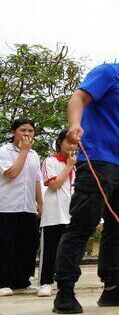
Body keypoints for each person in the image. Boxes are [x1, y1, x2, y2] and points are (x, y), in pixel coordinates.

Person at [53, 30, 119, 314]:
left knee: (118, 231)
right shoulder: (108, 74)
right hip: (99, 162)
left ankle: (112, 289)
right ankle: (64, 291)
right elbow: (78, 98)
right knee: (82, 226)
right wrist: (75, 125)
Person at [0, 118, 42, 297]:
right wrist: (23, 151)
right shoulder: (4, 151)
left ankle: (22, 281)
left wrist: (40, 203)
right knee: (6, 245)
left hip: (28, 206)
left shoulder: (34, 154)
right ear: (13, 132)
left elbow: (36, 180)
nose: (27, 134)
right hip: (7, 205)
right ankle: (3, 282)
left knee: (27, 245)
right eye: (23, 130)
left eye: (30, 131)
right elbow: (11, 173)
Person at [38, 129, 75, 296]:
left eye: (75, 143)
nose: (71, 146)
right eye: (68, 141)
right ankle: (45, 282)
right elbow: (53, 185)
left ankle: (65, 283)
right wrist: (68, 166)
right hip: (54, 213)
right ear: (60, 142)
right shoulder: (51, 161)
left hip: (72, 213)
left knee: (69, 252)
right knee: (50, 250)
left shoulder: (80, 164)